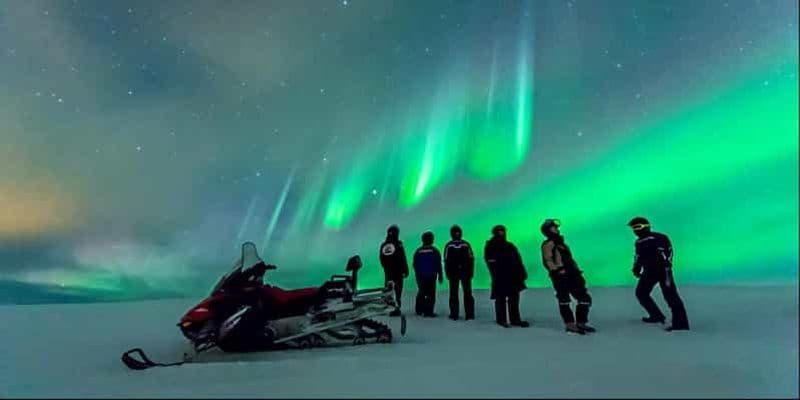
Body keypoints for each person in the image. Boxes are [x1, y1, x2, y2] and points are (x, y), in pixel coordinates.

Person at [628, 217, 690, 331]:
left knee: (671, 296)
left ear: (646, 226)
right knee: (641, 293)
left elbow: (667, 252)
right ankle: (656, 315)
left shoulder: (658, 238)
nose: (635, 231)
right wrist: (636, 268)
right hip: (650, 271)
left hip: (663, 271)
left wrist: (666, 266)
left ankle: (681, 324)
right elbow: (638, 256)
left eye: (637, 227)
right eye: (633, 228)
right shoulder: (639, 242)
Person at [540, 219, 595, 334]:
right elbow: (547, 260)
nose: (556, 229)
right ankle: (570, 324)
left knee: (584, 298)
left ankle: (581, 322)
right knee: (564, 299)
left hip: (573, 275)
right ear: (547, 231)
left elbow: (570, 259)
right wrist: (557, 271)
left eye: (556, 227)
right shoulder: (548, 244)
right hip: (560, 276)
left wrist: (577, 271)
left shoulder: (562, 244)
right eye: (553, 227)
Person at [484, 225, 530, 328]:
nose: (502, 233)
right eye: (499, 231)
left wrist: (522, 273)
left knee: (514, 298)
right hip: (500, 277)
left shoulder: (510, 246)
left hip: (513, 277)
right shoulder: (491, 246)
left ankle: (515, 319)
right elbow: (490, 261)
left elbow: (518, 260)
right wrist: (497, 273)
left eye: (503, 231)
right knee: (500, 298)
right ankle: (501, 320)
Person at [444, 225, 475, 320]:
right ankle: (469, 314)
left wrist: (448, 273)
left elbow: (446, 260)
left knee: (455, 293)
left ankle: (454, 314)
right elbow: (471, 259)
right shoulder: (466, 244)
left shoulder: (449, 245)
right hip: (464, 273)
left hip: (454, 273)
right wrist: (470, 272)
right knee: (467, 293)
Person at [379, 224, 409, 316]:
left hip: (388, 272)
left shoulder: (384, 245)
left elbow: (382, 258)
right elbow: (402, 258)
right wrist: (405, 269)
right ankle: (395, 308)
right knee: (397, 290)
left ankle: (388, 307)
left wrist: (386, 268)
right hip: (398, 272)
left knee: (389, 290)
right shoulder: (398, 244)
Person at [413, 231, 443, 317]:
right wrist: (440, 275)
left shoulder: (418, 251)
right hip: (431, 276)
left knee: (421, 292)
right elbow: (438, 264)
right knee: (431, 294)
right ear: (431, 240)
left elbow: (415, 264)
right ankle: (429, 311)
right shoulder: (434, 251)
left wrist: (417, 274)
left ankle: (419, 310)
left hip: (421, 276)